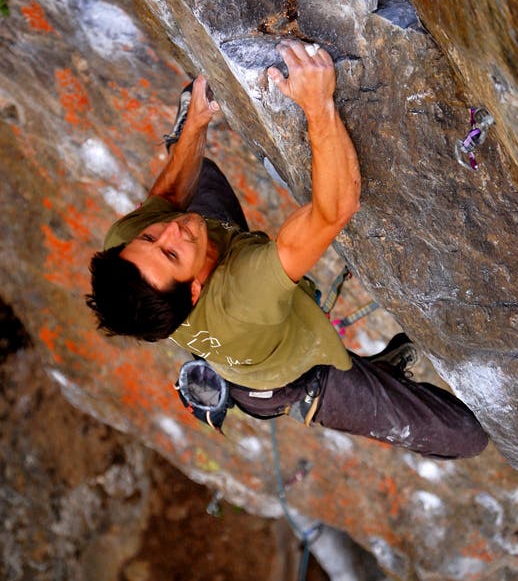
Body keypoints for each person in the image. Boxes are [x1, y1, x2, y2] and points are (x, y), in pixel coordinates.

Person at [87, 40, 488, 459]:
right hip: (288, 377)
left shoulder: (127, 251)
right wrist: (318, 105)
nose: (169, 231)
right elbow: (333, 210)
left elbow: (167, 200)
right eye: (169, 253)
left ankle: (188, 150)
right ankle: (363, 376)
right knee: (464, 435)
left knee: (194, 175)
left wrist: (196, 125)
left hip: (215, 293)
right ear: (193, 290)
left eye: (149, 239)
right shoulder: (244, 292)